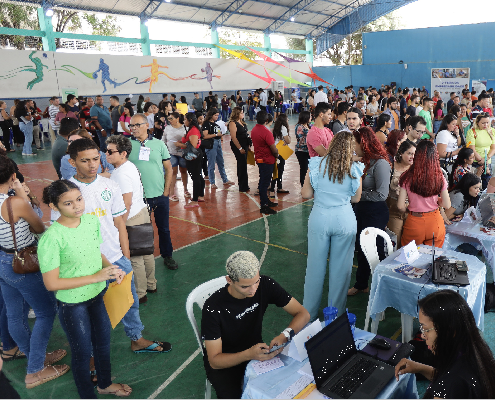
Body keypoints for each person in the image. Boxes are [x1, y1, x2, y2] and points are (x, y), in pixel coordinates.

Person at [59, 138, 172, 354]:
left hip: (117, 258)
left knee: (130, 302)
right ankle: (90, 354)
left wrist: (125, 257)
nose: (92, 165)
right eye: (85, 160)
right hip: (86, 265)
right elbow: (65, 234)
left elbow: (119, 223)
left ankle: (136, 339)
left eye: (96, 159)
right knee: (90, 312)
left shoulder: (110, 185)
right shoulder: (66, 192)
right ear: (72, 162)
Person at [39, 180, 132, 398]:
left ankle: (104, 384)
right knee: (82, 354)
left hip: (97, 295)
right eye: (68, 203)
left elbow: (95, 252)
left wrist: (111, 268)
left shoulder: (90, 221)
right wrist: (96, 277)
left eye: (79, 199)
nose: (77, 206)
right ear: (54, 206)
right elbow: (51, 283)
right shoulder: (52, 238)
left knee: (103, 344)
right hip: (73, 304)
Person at [0, 156, 70, 389]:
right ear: (12, 176)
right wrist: (21, 193)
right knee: (46, 312)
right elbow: (38, 226)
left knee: (14, 313)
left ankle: (35, 357)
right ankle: (35, 370)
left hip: (2, 260)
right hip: (23, 261)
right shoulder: (13, 203)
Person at [201, 251, 309, 399]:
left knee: (286, 386)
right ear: (229, 280)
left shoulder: (265, 284)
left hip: (257, 351)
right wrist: (248, 354)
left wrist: (285, 335)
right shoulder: (213, 308)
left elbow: (303, 314)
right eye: (245, 287)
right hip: (226, 363)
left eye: (256, 282)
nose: (253, 290)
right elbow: (214, 361)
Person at [394, 290, 495, 399]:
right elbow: (448, 377)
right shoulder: (474, 349)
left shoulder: (450, 385)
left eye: (426, 329)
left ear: (449, 331)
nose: (422, 336)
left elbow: (450, 383)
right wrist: (419, 368)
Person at [301, 132, 363, 314]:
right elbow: (356, 198)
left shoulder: (316, 164)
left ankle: (308, 314)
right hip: (344, 218)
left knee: (314, 267)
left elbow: (305, 194)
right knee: (341, 269)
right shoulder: (354, 168)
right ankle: (335, 315)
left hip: (319, 216)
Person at [106, 135, 157, 304]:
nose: (106, 154)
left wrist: (120, 224)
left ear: (123, 153)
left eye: (110, 151)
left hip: (131, 217)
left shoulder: (121, 174)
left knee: (135, 258)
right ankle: (151, 284)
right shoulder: (128, 166)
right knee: (146, 252)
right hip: (141, 211)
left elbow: (126, 202)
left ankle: (140, 293)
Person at [127, 113, 179, 270]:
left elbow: (168, 168)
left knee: (164, 228)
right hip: (138, 198)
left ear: (146, 125)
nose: (133, 128)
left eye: (136, 125)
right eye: (131, 125)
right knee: (141, 231)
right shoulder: (126, 145)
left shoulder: (159, 144)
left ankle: (167, 255)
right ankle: (143, 260)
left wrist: (166, 191)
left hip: (160, 195)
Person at [347, 127, 392, 296]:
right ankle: (361, 284)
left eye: (355, 143)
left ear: (364, 143)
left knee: (376, 250)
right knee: (361, 247)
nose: (353, 147)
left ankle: (384, 286)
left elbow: (382, 194)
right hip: (361, 210)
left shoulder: (380, 164)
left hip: (375, 212)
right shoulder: (363, 161)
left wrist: (357, 195)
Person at [398, 140, 451, 247]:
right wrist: (437, 200)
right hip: (435, 222)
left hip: (414, 222)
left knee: (410, 256)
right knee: (433, 256)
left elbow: (400, 206)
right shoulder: (439, 177)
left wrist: (409, 208)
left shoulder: (406, 176)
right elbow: (447, 205)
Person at [386, 140, 415, 247]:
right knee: (394, 242)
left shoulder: (416, 169)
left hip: (411, 211)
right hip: (394, 210)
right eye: (409, 153)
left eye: (414, 154)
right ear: (401, 153)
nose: (413, 157)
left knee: (409, 244)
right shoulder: (391, 166)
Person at [251, 110, 279, 214]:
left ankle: (266, 201)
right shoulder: (266, 132)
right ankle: (264, 205)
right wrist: (277, 154)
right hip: (267, 160)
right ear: (267, 120)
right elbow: (273, 148)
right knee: (265, 183)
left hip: (259, 158)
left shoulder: (254, 130)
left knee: (263, 180)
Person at [201, 108, 234, 189]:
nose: (217, 117)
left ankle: (225, 179)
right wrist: (216, 135)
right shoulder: (206, 124)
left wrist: (221, 134)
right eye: (215, 115)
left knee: (221, 162)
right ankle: (212, 182)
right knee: (211, 164)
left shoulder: (215, 123)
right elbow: (205, 136)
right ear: (211, 115)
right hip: (211, 144)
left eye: (218, 115)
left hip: (218, 142)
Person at [178, 112, 205, 208]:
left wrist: (180, 145)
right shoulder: (192, 129)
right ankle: (200, 195)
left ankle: (195, 200)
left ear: (190, 120)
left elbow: (192, 146)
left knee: (196, 177)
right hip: (194, 155)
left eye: (185, 119)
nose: (184, 121)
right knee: (198, 175)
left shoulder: (193, 130)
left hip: (193, 155)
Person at [161, 111, 189, 202]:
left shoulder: (185, 128)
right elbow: (163, 140)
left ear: (177, 118)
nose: (169, 120)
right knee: (173, 172)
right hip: (171, 153)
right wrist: (164, 151)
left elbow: (189, 141)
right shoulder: (167, 128)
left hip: (182, 153)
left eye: (171, 118)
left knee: (183, 171)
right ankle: (172, 193)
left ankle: (185, 190)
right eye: (168, 119)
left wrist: (181, 144)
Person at [466, 114, 495, 188]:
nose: (486, 125)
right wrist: (481, 160)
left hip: (487, 162)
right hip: (475, 162)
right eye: (483, 123)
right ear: (477, 123)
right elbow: (471, 148)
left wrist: (486, 159)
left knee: (487, 185)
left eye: (487, 122)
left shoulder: (492, 131)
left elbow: (493, 148)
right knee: (474, 184)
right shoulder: (471, 132)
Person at [227, 107, 251, 193]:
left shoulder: (242, 122)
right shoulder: (232, 123)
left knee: (244, 164)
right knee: (241, 164)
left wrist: (248, 146)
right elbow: (233, 137)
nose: (243, 114)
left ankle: (245, 184)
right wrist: (240, 148)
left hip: (245, 144)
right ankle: (242, 186)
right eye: (241, 113)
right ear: (237, 114)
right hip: (238, 145)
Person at [269, 113, 291, 195]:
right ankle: (275, 188)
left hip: (275, 150)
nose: (288, 120)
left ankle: (275, 187)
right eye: (287, 119)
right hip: (280, 152)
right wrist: (288, 139)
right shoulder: (283, 128)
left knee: (276, 169)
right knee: (279, 170)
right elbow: (288, 140)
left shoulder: (276, 127)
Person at [294, 111, 311, 187]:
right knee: (304, 169)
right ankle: (303, 186)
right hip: (301, 151)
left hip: (308, 150)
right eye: (310, 116)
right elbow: (301, 139)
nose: (311, 118)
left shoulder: (308, 125)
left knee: (308, 169)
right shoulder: (300, 127)